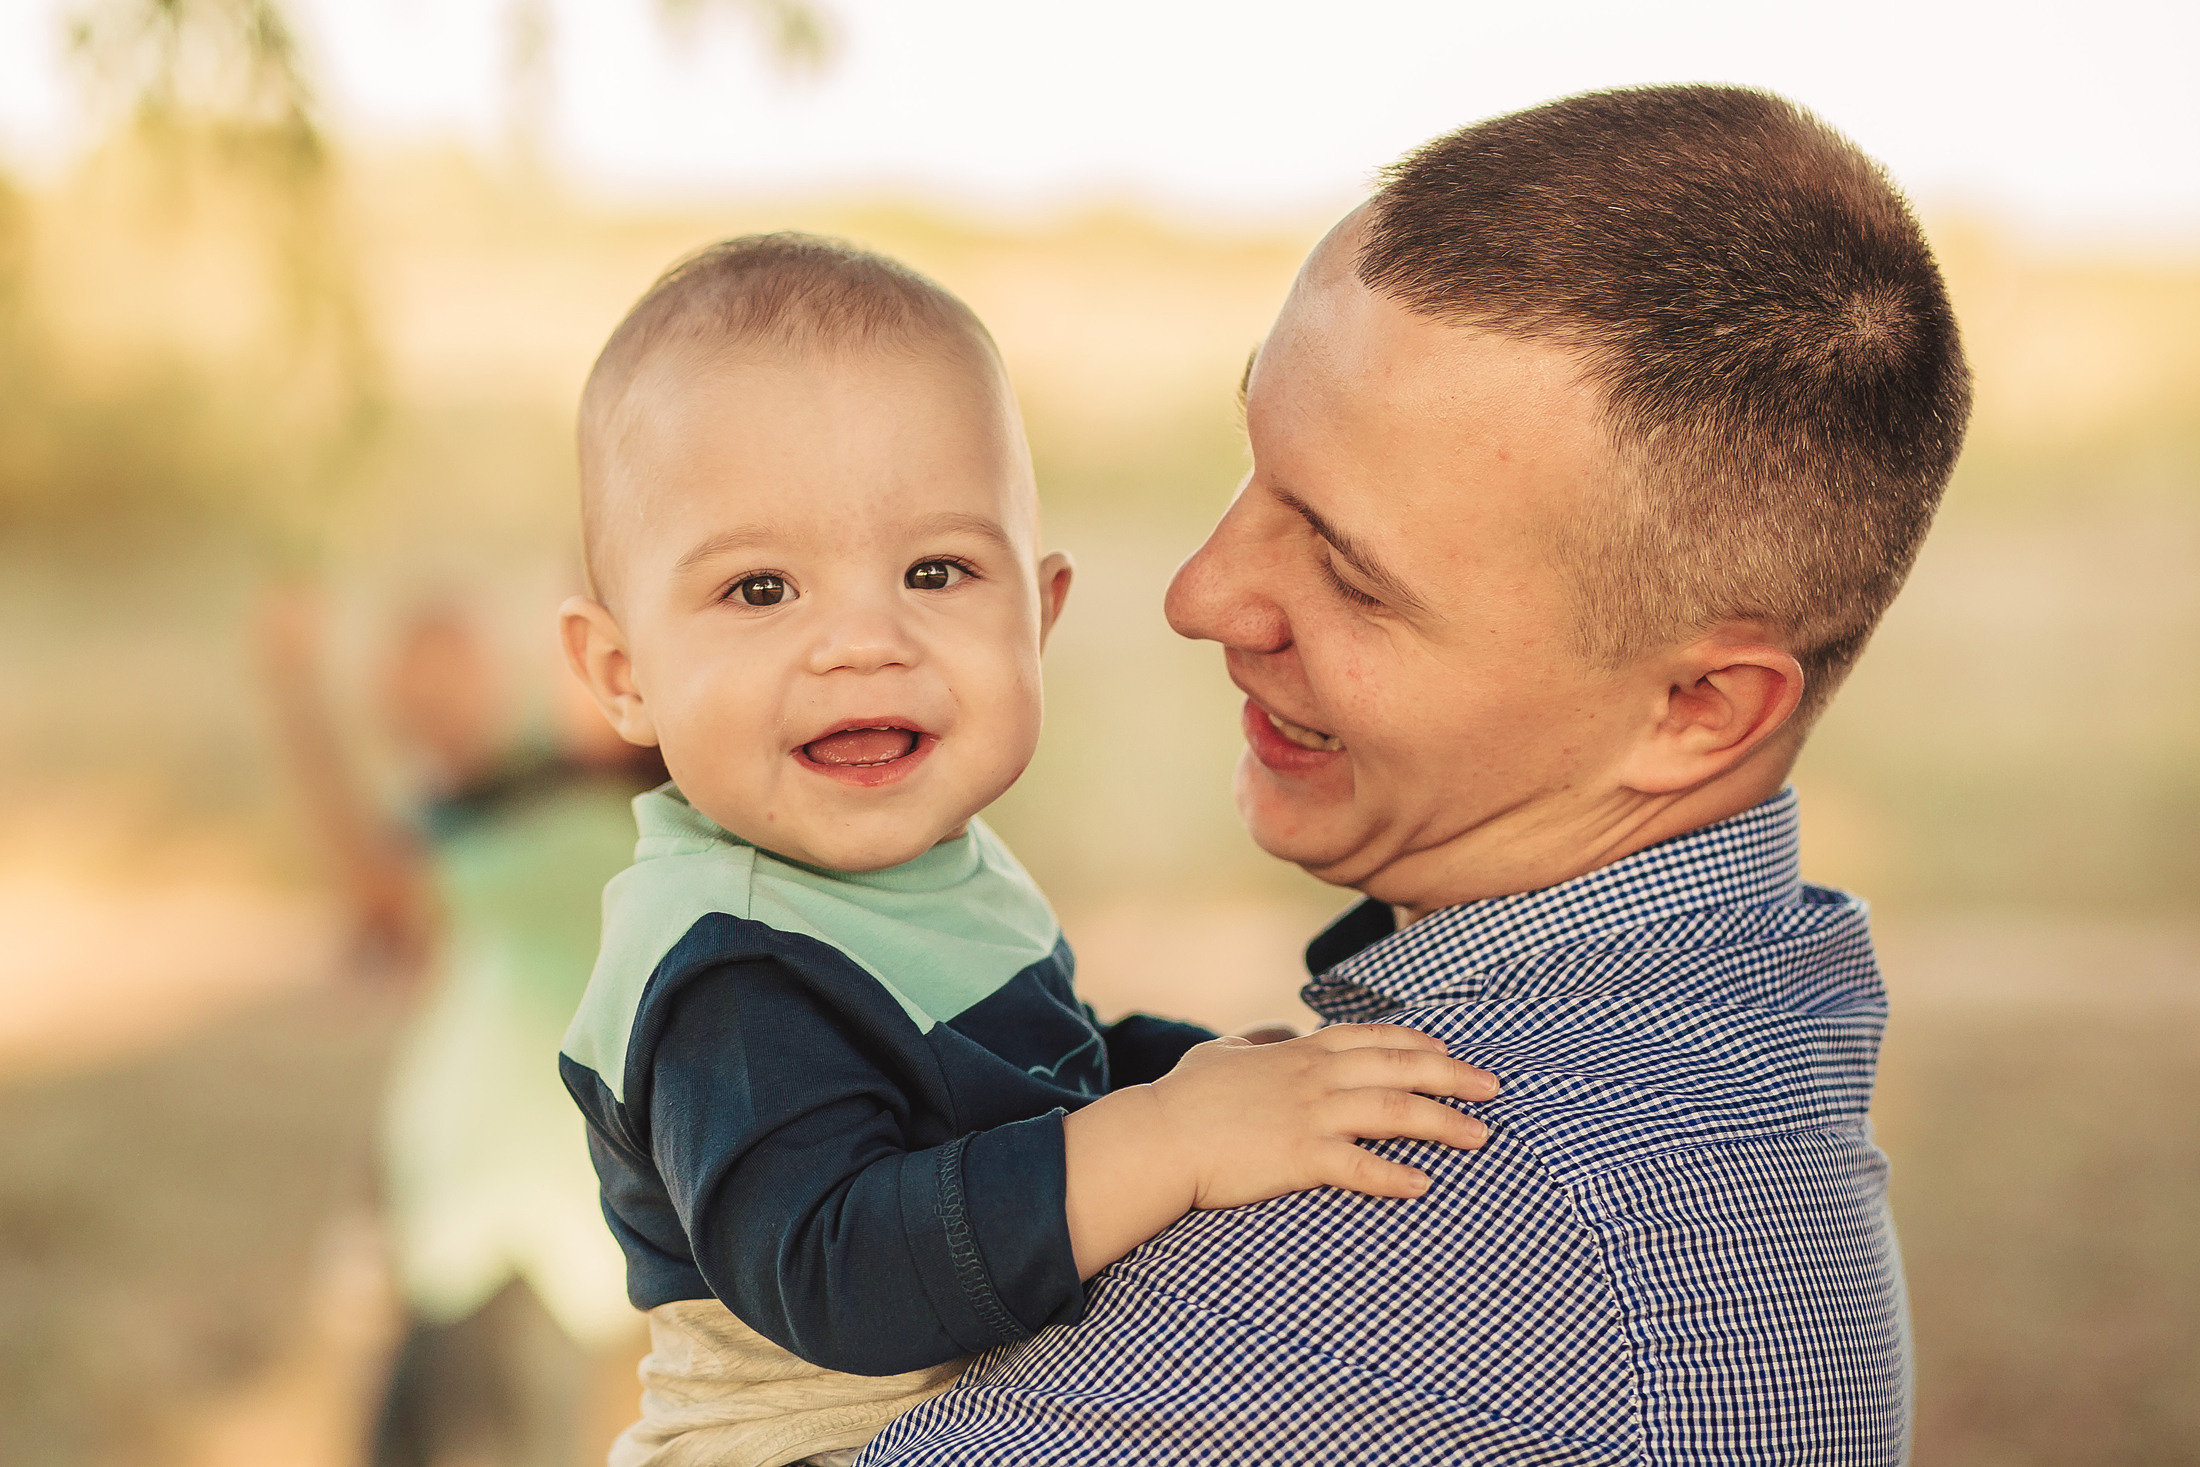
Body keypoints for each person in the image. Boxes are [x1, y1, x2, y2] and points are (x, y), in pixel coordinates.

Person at [859, 85, 1972, 1464]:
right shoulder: (1726, 1063)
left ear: (1695, 707)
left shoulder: (1447, 1211)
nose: (1203, 595)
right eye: (1253, 459)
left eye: (1350, 571)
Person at [553, 234, 1502, 1467]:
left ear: (1037, 616)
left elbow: (1030, 1072)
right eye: (759, 591)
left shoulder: (923, 874)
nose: (862, 642)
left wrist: (1213, 1072)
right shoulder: (728, 973)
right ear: (622, 677)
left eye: (934, 571)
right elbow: (840, 1273)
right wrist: (1169, 1138)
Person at [262, 592, 662, 1467]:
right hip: (456, 1251)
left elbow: (377, 888)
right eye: (402, 684)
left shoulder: (570, 823)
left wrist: (295, 695)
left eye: (444, 674)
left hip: (519, 1249)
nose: (417, 707)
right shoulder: (484, 818)